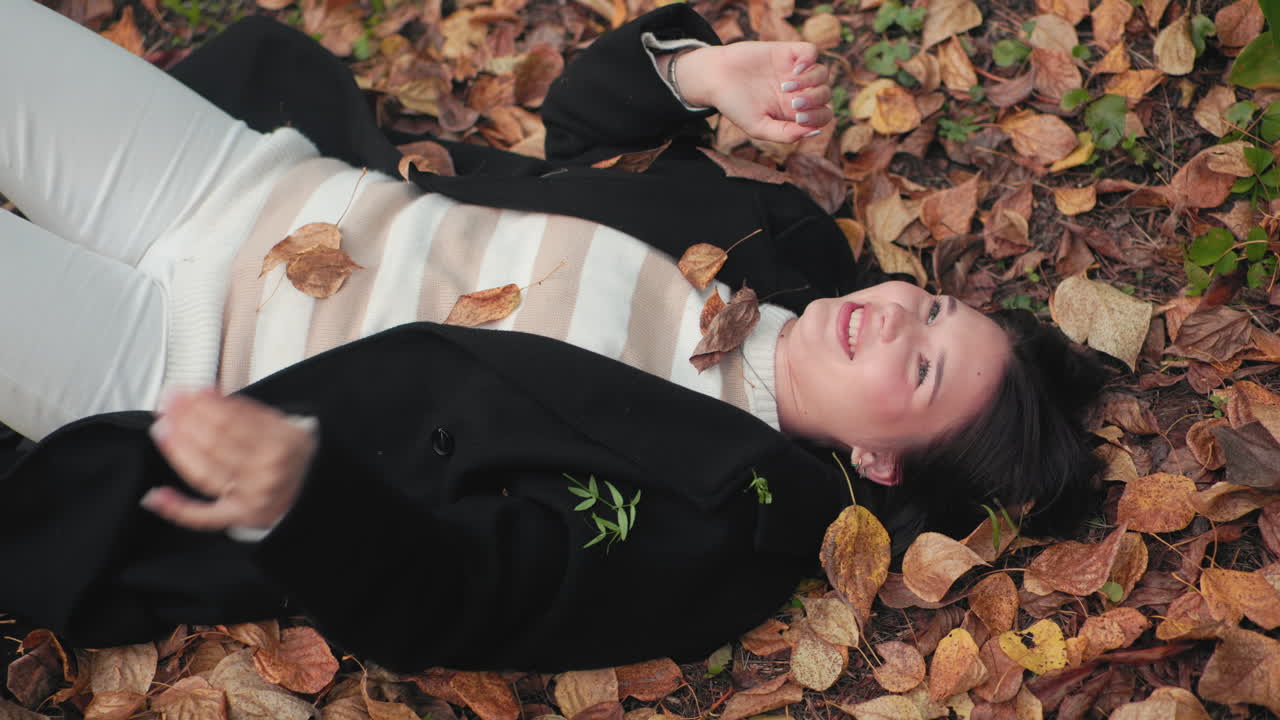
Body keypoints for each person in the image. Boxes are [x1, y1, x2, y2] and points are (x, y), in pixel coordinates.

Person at [0, 0, 1106, 672]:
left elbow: (463, 600)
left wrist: (304, 495)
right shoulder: (784, 245)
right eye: (937, 308)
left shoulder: (714, 538)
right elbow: (574, 142)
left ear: (876, 461)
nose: (897, 317)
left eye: (919, 370)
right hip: (245, 182)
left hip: (172, 369)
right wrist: (692, 75)